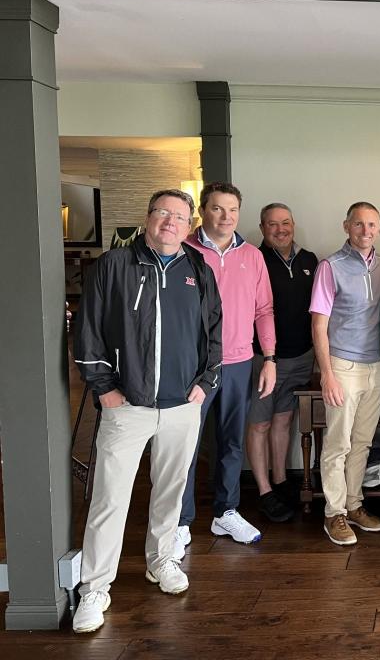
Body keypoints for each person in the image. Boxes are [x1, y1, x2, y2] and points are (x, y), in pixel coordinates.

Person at [72, 189, 222, 633]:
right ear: (148, 217)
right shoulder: (113, 266)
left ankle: (162, 560)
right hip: (127, 406)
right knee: (110, 500)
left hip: (182, 406)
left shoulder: (198, 269)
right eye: (163, 214)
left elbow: (215, 331)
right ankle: (95, 588)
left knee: (171, 492)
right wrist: (106, 390)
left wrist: (205, 383)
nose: (170, 222)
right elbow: (88, 334)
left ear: (189, 223)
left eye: (179, 216)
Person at [176, 183, 277, 556]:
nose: (225, 216)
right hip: (192, 367)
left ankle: (226, 510)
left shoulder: (252, 256)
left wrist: (268, 358)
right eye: (217, 209)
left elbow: (264, 310)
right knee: (185, 445)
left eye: (232, 210)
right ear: (203, 211)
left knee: (232, 441)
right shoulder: (183, 250)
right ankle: (180, 520)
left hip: (238, 362)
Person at [310, 201, 380, 546]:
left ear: (379, 229)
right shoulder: (331, 266)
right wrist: (326, 374)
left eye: (372, 225)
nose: (365, 231)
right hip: (342, 366)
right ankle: (334, 513)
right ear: (347, 226)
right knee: (338, 444)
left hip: (377, 367)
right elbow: (319, 323)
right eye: (359, 224)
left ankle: (354, 505)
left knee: (361, 444)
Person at [246, 203, 319, 523]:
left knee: (283, 421)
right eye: (272, 225)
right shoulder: (253, 259)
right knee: (260, 423)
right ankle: (264, 491)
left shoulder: (309, 260)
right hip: (263, 359)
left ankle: (279, 481)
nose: (280, 230)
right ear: (262, 228)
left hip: (301, 356)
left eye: (285, 223)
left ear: (294, 224)